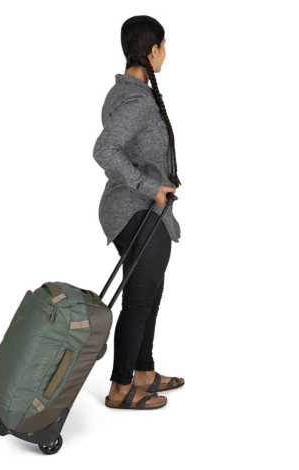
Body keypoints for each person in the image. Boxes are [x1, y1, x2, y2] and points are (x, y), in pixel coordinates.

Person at [93, 15, 185, 410]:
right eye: (164, 46)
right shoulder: (136, 99)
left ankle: (144, 372)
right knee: (139, 297)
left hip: (139, 209)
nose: (166, 53)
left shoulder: (123, 92)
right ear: (153, 49)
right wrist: (150, 187)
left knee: (150, 291)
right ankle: (120, 388)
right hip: (135, 208)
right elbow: (104, 149)